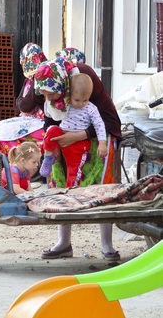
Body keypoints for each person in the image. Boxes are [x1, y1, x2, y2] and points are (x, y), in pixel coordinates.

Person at [33, 56, 122, 261]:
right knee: (62, 186)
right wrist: (54, 142)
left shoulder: (85, 82)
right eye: (43, 94)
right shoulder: (48, 81)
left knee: (101, 189)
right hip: (64, 143)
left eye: (50, 93)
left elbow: (107, 121)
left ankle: (106, 245)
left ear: (65, 88)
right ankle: (63, 243)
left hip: (94, 142)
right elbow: (47, 118)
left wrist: (79, 136)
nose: (47, 97)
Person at [40, 73, 107, 187]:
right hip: (62, 135)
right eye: (77, 100)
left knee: (74, 172)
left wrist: (102, 143)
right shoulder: (65, 104)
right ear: (70, 94)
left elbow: (99, 125)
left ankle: (71, 192)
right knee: (52, 130)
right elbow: (50, 115)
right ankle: (48, 158)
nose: (81, 104)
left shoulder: (91, 108)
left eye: (85, 100)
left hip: (78, 145)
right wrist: (48, 102)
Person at [16, 43, 47, 118]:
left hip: (39, 121)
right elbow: (17, 106)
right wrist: (21, 107)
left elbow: (26, 106)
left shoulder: (40, 78)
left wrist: (22, 106)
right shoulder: (29, 79)